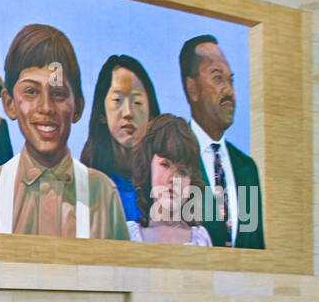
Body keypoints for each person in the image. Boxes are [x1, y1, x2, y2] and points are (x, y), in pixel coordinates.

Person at [0, 24, 129, 240]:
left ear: (78, 107)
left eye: (58, 93)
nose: (46, 107)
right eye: (31, 91)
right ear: (9, 103)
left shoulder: (102, 193)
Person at [180, 35, 264, 248]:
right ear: (192, 88)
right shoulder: (174, 159)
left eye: (231, 80)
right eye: (217, 78)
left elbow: (254, 245)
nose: (229, 91)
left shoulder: (246, 168)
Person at [80, 54, 160, 223]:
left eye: (137, 102)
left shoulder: (168, 189)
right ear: (102, 113)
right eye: (118, 100)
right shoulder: (84, 186)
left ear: (151, 115)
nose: (128, 113)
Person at [127, 114, 212, 245]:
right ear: (147, 167)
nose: (174, 179)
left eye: (182, 172)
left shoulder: (200, 239)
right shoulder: (128, 235)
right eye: (165, 165)